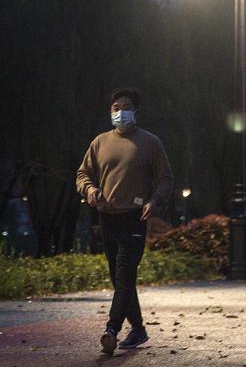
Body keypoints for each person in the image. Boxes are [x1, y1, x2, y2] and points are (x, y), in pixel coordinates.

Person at [76, 88, 174, 354]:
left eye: (126, 106)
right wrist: (90, 190)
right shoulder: (99, 142)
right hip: (107, 219)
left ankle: (111, 330)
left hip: (134, 218)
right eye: (115, 107)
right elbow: (83, 174)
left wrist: (155, 201)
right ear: (110, 111)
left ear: (136, 111)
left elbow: (165, 178)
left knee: (124, 276)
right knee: (120, 279)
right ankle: (139, 329)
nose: (120, 111)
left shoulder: (150, 142)